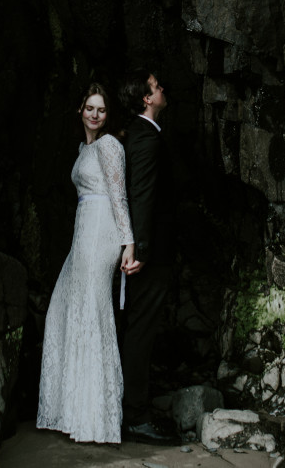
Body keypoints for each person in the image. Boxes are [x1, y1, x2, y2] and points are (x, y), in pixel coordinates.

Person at [36, 83, 138, 443]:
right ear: (80, 109)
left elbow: (118, 195)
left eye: (102, 110)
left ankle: (97, 419)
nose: (95, 115)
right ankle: (72, 411)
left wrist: (128, 243)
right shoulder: (84, 149)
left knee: (92, 314)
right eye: (89, 108)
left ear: (108, 116)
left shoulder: (110, 146)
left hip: (102, 233)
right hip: (82, 234)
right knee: (63, 311)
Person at [118, 70, 176, 444]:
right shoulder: (146, 140)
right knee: (139, 332)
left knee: (136, 329)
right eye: (157, 86)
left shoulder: (140, 135)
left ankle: (133, 409)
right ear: (146, 99)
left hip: (146, 252)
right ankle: (135, 416)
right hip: (148, 257)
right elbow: (141, 193)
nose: (163, 88)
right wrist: (140, 249)